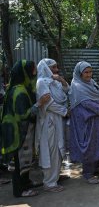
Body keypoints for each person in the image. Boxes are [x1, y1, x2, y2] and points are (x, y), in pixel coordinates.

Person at [1, 60, 50, 197]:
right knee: (19, 163)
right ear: (25, 72)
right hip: (18, 134)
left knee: (24, 161)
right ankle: (20, 190)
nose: (35, 72)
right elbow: (24, 114)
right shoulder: (19, 91)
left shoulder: (20, 87)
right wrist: (40, 103)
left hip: (20, 132)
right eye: (33, 70)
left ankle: (26, 182)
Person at [69, 61, 99, 184]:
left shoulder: (92, 83)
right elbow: (87, 104)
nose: (89, 75)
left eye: (90, 72)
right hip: (87, 123)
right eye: (86, 72)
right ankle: (88, 173)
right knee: (89, 146)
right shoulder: (77, 86)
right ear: (79, 73)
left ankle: (97, 168)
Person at [35, 59, 69, 193]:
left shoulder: (54, 82)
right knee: (50, 151)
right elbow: (48, 104)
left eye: (56, 67)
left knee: (59, 148)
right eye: (53, 67)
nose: (56, 69)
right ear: (46, 69)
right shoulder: (41, 83)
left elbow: (67, 92)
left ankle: (55, 176)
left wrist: (62, 80)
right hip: (49, 122)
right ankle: (49, 183)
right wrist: (65, 111)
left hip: (58, 119)